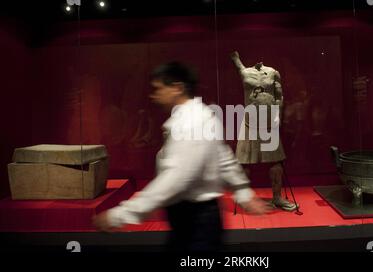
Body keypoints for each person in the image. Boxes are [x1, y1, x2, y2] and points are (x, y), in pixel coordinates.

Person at [93, 61, 269, 251]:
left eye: (158, 89)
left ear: (177, 88)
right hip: (196, 220)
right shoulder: (200, 115)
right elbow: (223, 157)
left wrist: (120, 215)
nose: (153, 96)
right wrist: (243, 192)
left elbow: (176, 179)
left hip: (194, 222)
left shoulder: (190, 123)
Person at [230, 51, 297, 211]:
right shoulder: (245, 72)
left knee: (275, 163)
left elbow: (280, 96)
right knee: (245, 161)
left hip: (269, 121)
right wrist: (236, 59)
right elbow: (239, 66)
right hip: (249, 121)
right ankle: (244, 198)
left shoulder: (273, 72)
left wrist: (279, 116)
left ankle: (277, 197)